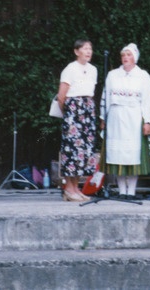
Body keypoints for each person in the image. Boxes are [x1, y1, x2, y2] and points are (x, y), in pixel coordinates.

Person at [101, 43, 150, 200]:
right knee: (117, 153)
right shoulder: (112, 75)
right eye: (123, 55)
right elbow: (106, 96)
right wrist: (103, 117)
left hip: (134, 117)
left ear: (135, 57)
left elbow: (148, 100)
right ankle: (121, 191)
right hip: (116, 118)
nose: (125, 58)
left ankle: (131, 191)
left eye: (129, 55)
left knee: (132, 154)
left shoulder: (143, 76)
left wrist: (147, 121)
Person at [56, 39, 99, 202]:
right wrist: (69, 115)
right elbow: (61, 96)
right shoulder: (70, 69)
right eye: (85, 48)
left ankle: (76, 188)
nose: (88, 51)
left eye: (90, 48)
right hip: (74, 110)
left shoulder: (93, 69)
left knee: (85, 151)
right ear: (76, 51)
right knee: (72, 150)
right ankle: (68, 188)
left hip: (88, 109)